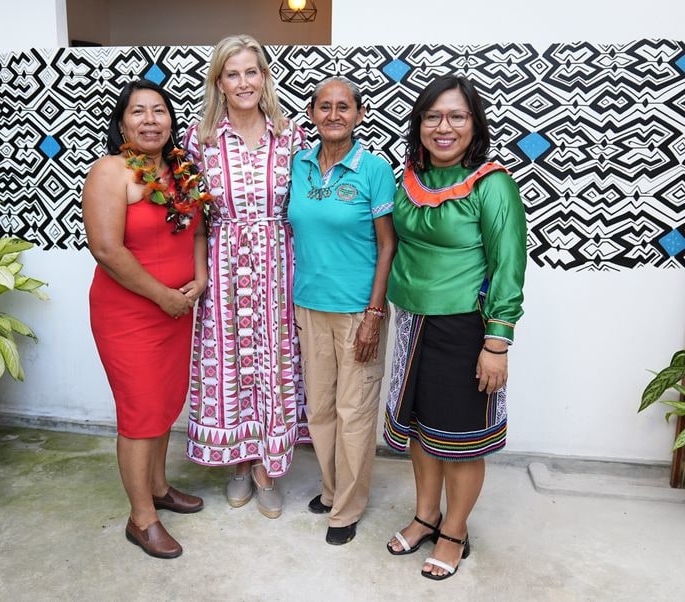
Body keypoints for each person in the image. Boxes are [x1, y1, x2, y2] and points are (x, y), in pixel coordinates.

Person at [383, 74, 526, 581]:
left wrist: (497, 343)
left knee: (460, 442)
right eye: (433, 116)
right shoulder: (405, 180)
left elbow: (509, 266)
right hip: (412, 324)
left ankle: (455, 531)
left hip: (467, 329)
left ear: (474, 124)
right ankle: (426, 516)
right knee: (423, 432)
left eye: (457, 117)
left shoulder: (493, 184)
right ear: (419, 123)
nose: (444, 127)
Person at [84, 78, 210, 559]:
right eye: (138, 112)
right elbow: (107, 250)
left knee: (163, 403)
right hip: (130, 313)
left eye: (159, 111)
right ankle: (142, 518)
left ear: (172, 121)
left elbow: (198, 231)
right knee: (139, 413)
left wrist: (197, 281)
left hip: (177, 308)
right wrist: (164, 297)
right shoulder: (111, 172)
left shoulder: (181, 172)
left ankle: (158, 487)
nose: (151, 120)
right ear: (121, 124)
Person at [185, 34, 307, 519]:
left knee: (273, 363)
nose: (243, 82)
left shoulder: (289, 134)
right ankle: (238, 461)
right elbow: (191, 215)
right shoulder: (202, 138)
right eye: (232, 74)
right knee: (231, 361)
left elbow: (307, 202)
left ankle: (267, 467)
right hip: (224, 266)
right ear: (219, 80)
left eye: (251, 72)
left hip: (277, 264)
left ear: (264, 77)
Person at [287, 77, 396, 545]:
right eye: (324, 107)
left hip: (358, 311)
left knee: (355, 411)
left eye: (343, 107)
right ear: (312, 114)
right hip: (309, 305)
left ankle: (347, 508)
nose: (334, 114)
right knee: (322, 408)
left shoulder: (373, 170)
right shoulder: (299, 165)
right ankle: (332, 490)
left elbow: (388, 244)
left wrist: (375, 312)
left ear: (359, 114)